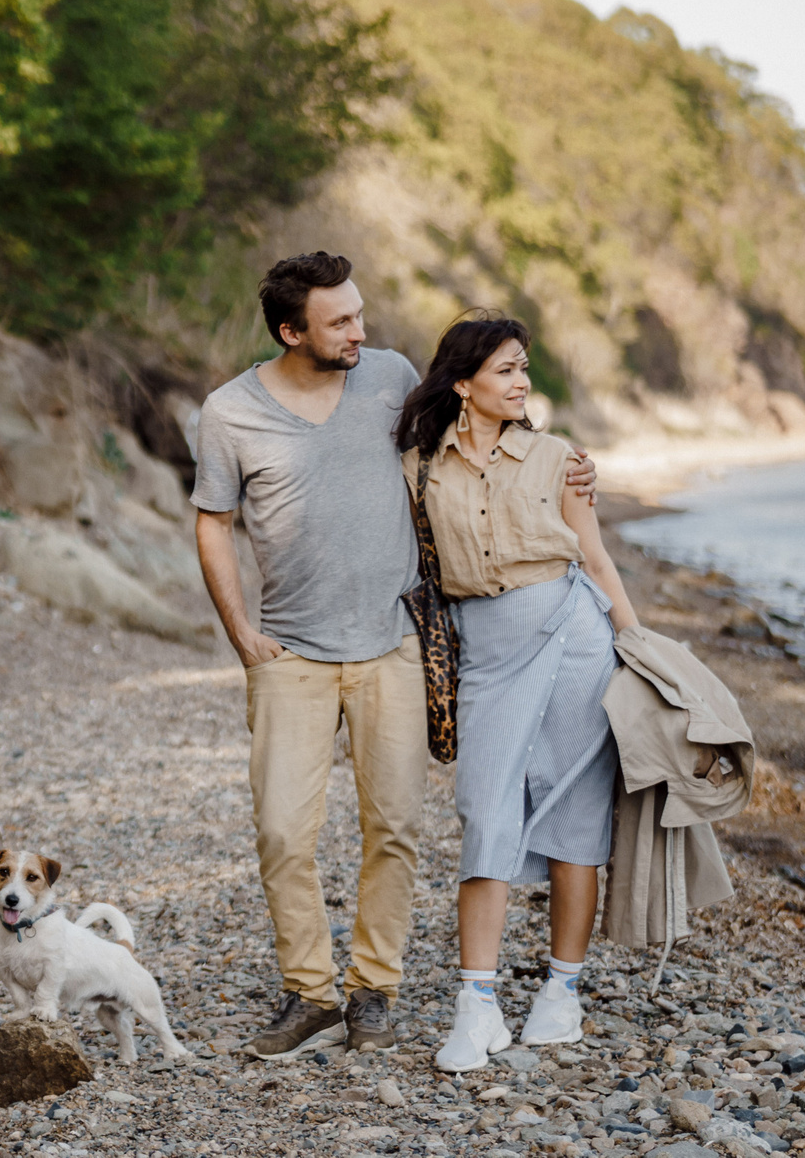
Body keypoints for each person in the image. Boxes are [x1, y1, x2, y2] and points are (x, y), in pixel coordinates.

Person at [193, 253, 594, 1061]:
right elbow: (213, 521)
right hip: (291, 652)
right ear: (290, 330)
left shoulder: (390, 375)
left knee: (397, 827)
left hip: (397, 643)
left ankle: (372, 991)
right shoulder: (230, 412)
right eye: (339, 320)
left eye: (359, 313)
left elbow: (472, 437)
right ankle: (308, 993)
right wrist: (242, 635)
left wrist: (566, 467)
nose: (359, 330)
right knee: (281, 830)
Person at [396, 312, 639, 1072]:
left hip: (574, 635)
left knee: (575, 811)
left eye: (525, 368)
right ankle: (478, 1006)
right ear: (462, 383)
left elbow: (594, 557)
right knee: (485, 810)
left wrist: (638, 648)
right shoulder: (419, 466)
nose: (522, 382)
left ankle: (562, 993)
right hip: (487, 650)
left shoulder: (558, 457)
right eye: (506, 369)